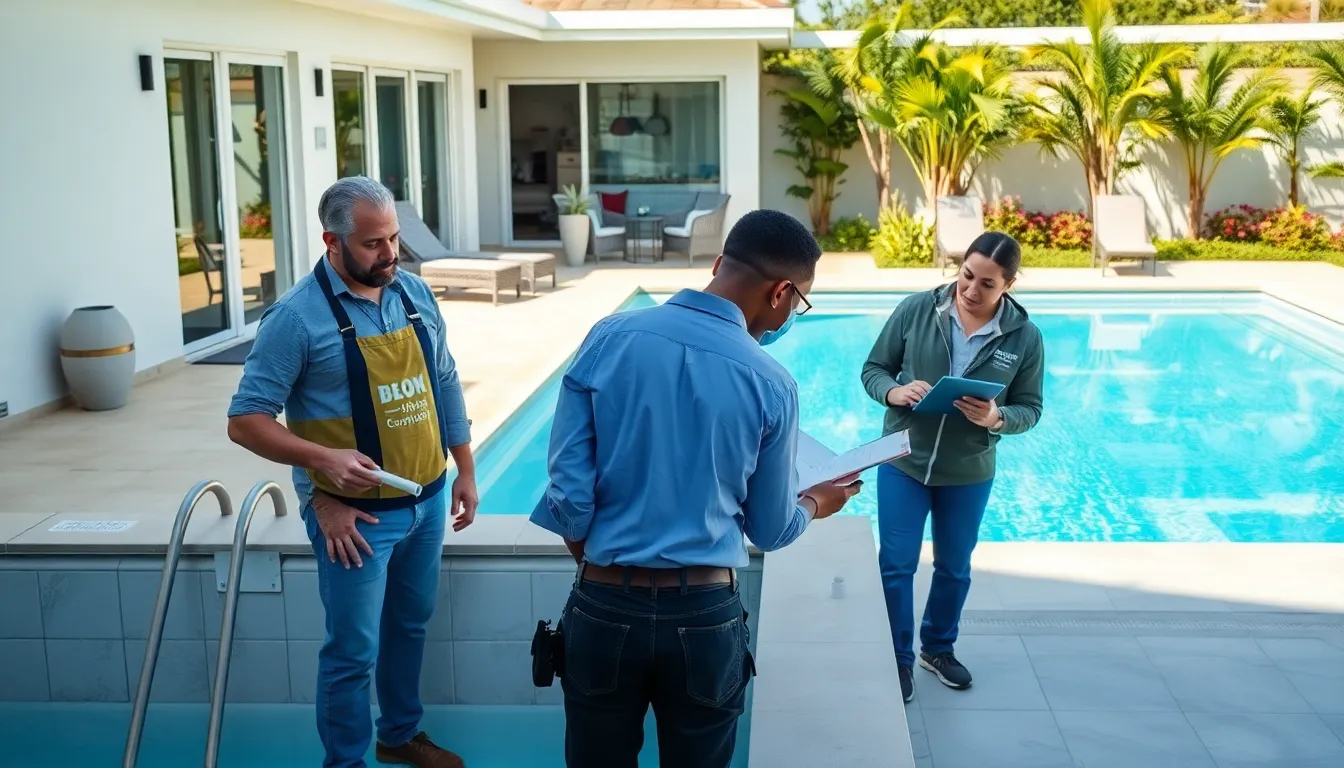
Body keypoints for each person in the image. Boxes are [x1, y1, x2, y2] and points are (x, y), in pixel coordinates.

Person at [529, 209, 862, 768]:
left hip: (603, 606)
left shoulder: (610, 337)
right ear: (781, 293)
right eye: (798, 302)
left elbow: (568, 495)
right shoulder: (771, 382)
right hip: (705, 617)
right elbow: (771, 528)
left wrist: (605, 574)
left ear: (717, 265)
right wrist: (816, 501)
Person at [227, 176, 478, 768]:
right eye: (373, 244)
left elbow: (443, 380)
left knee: (409, 628)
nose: (390, 254)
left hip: (427, 500)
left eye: (393, 238)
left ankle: (399, 734)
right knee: (352, 653)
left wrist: (464, 467)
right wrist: (320, 479)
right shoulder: (294, 318)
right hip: (356, 518)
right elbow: (246, 420)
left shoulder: (414, 293)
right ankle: (346, 762)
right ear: (332, 242)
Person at [860, 231, 1045, 704]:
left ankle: (937, 650)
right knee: (896, 565)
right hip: (903, 459)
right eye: (966, 275)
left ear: (1009, 285)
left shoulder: (1024, 337)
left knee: (954, 568)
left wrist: (997, 417)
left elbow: (1030, 407)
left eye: (987, 283)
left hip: (968, 470)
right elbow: (874, 369)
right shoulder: (917, 309)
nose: (971, 290)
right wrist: (895, 392)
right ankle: (897, 658)